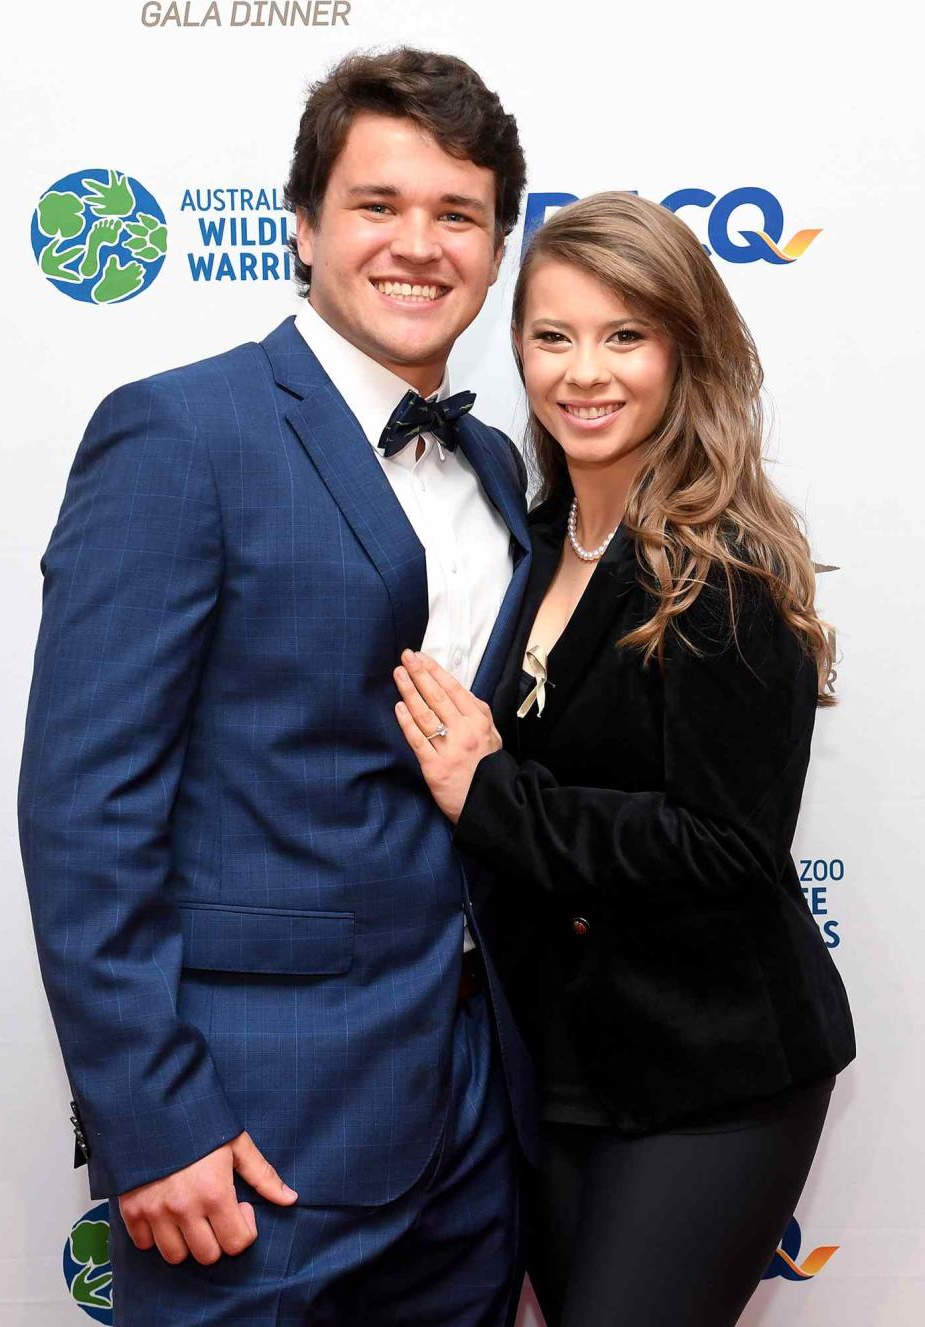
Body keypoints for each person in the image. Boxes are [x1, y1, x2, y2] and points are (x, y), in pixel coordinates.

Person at [18, 47, 538, 1326]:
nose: (419, 246)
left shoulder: (499, 465)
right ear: (302, 228)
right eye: (379, 205)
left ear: (497, 245)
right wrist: (151, 1115)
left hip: (475, 1121)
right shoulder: (181, 434)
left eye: (458, 215)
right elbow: (87, 808)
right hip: (250, 1134)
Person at [393, 191, 856, 1327]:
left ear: (681, 352)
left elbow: (725, 845)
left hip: (714, 1072)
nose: (583, 373)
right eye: (552, 336)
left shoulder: (724, 567)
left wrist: (489, 793)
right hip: (557, 1069)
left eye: (624, 335)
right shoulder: (531, 543)